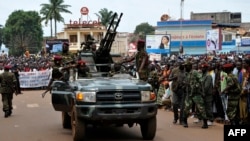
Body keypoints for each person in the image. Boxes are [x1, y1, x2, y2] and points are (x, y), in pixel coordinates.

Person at [182, 60, 208, 129]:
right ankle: (185, 122)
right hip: (189, 94)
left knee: (201, 108)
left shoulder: (195, 72)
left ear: (189, 66)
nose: (185, 67)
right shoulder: (186, 73)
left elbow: (201, 80)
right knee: (186, 108)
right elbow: (184, 82)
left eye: (186, 66)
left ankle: (205, 123)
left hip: (196, 93)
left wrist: (202, 90)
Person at [168, 60, 186, 125]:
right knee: (174, 104)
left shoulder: (186, 71)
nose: (183, 66)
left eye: (184, 65)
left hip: (182, 90)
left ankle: (181, 120)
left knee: (182, 106)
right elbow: (169, 78)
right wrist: (173, 78)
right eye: (181, 64)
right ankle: (176, 118)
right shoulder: (174, 70)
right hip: (175, 90)